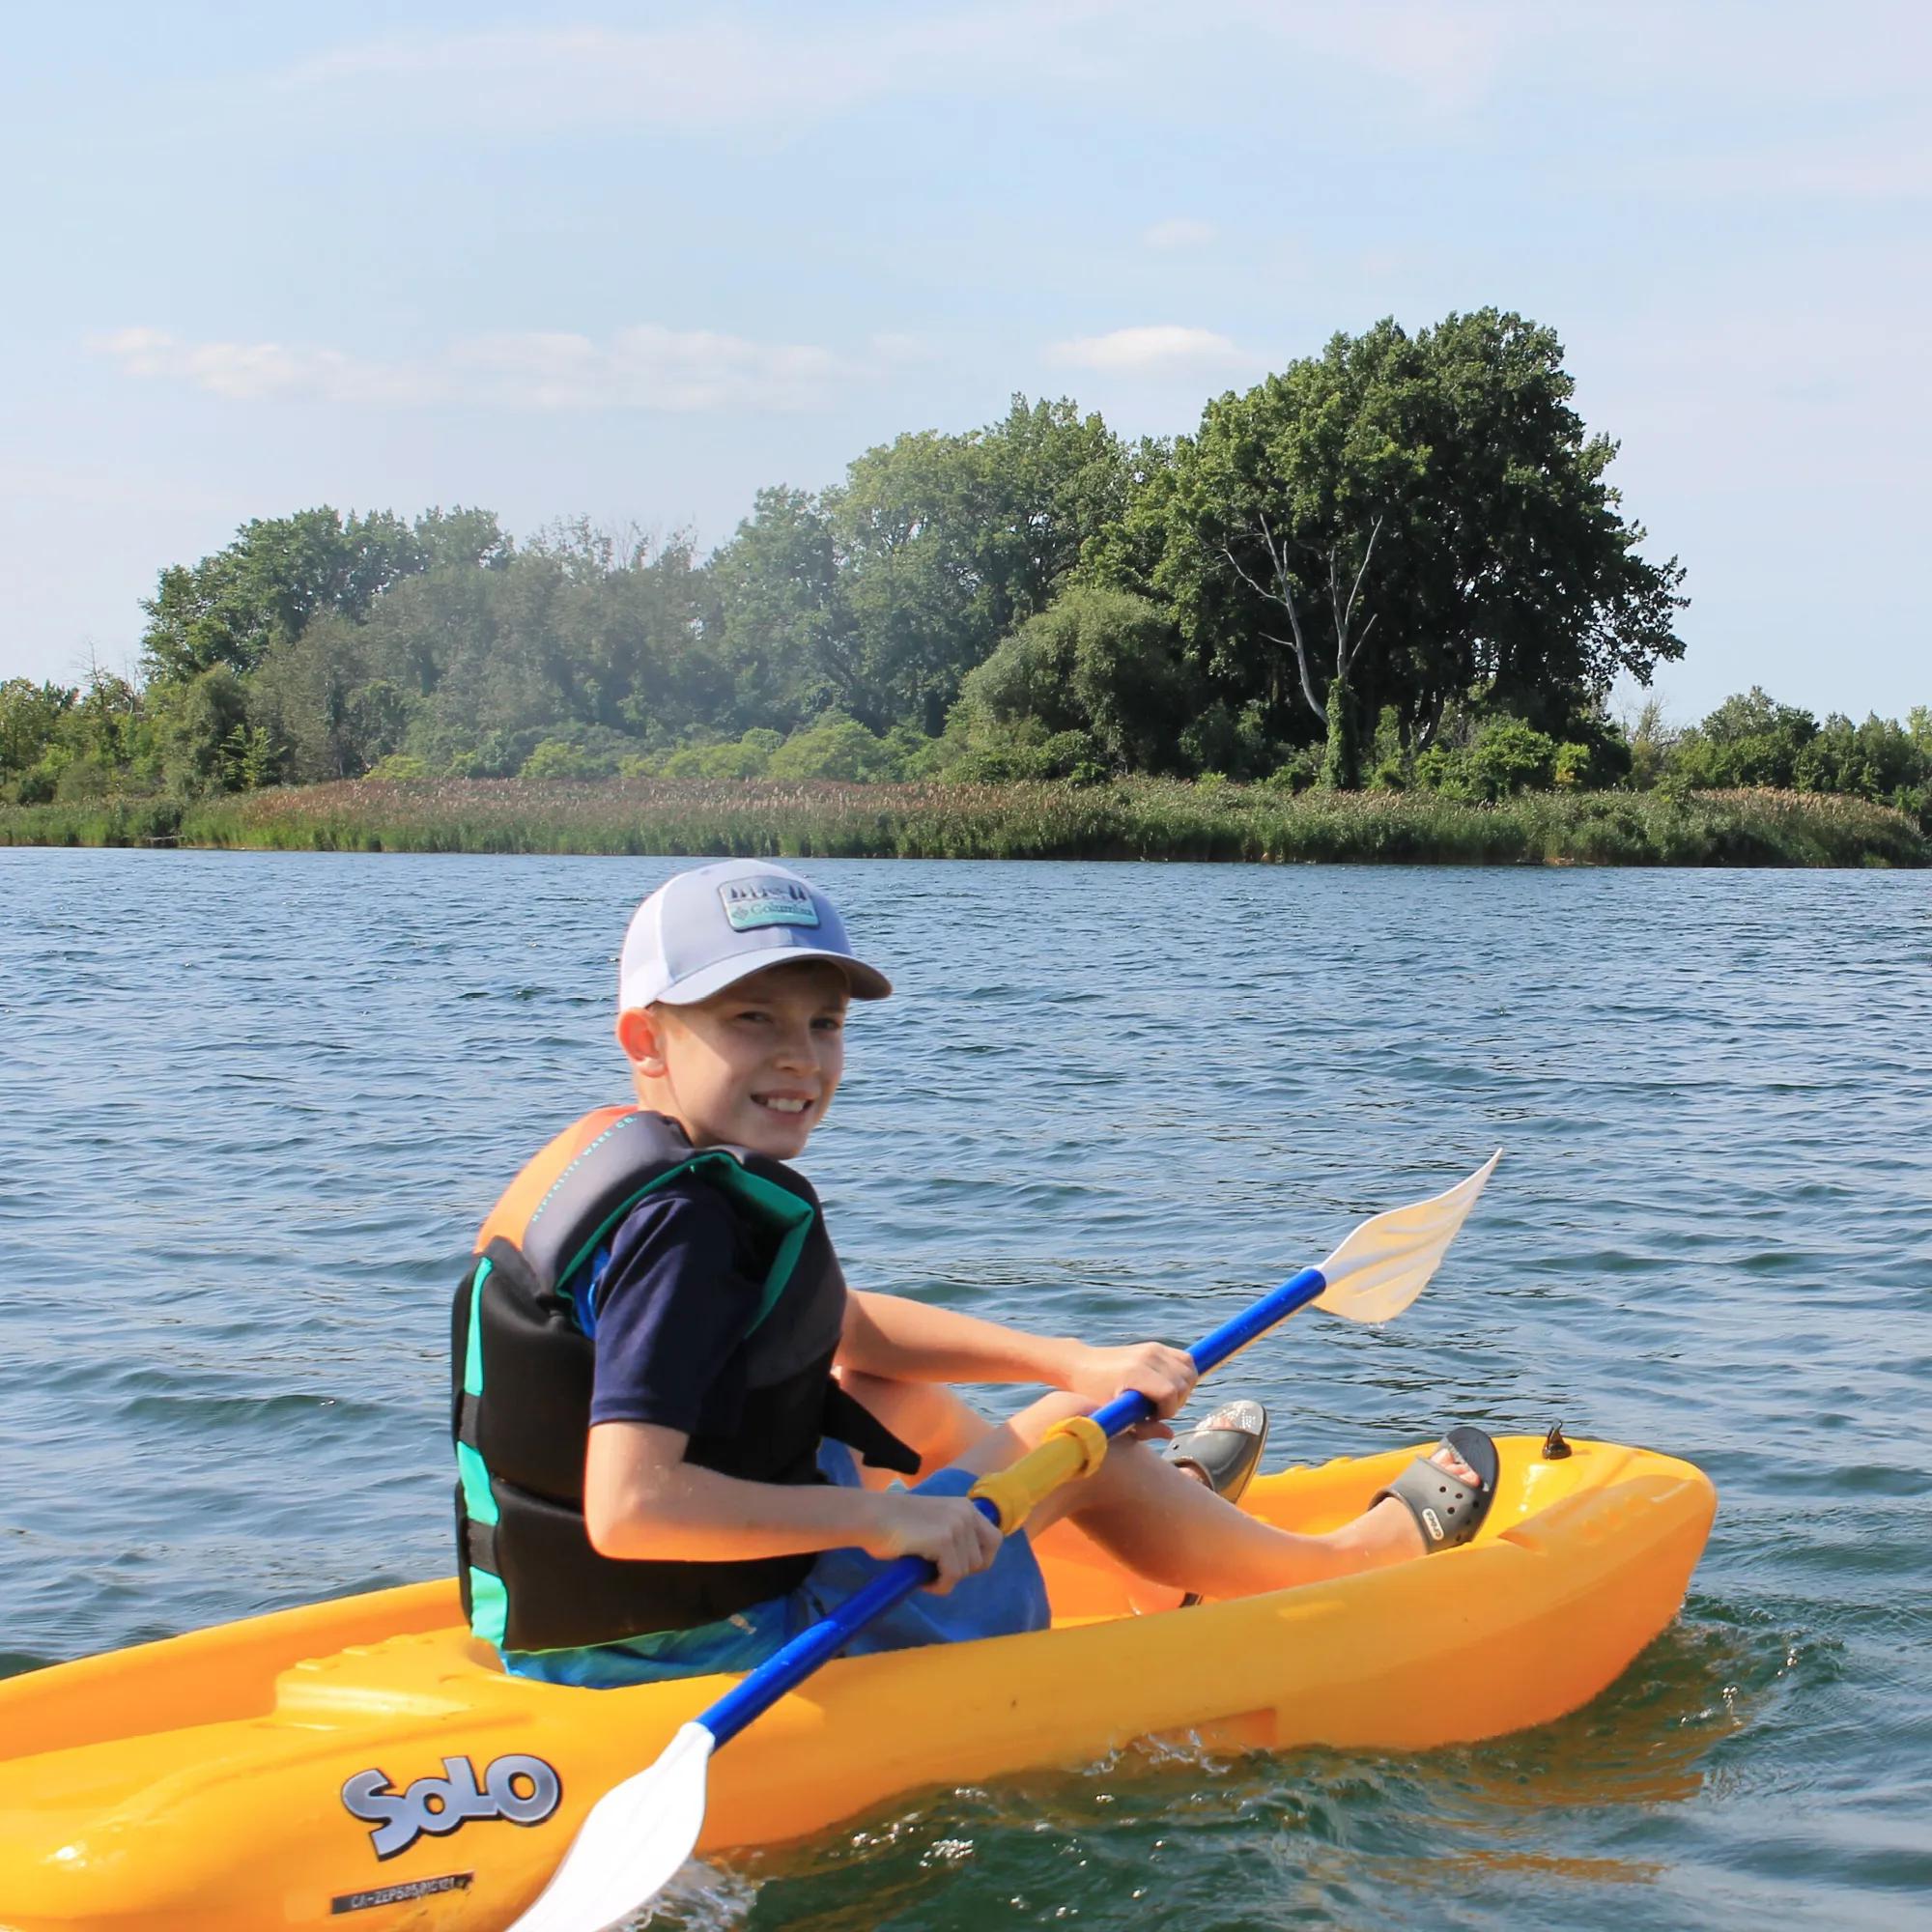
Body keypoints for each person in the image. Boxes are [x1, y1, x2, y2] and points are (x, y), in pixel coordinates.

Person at [451, 861, 1493, 1687]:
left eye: (824, 1021)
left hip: (575, 1628)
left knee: (886, 1394)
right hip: (712, 1646)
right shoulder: (680, 1225)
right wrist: (883, 1517)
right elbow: (630, 1508)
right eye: (749, 1019)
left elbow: (841, 1327)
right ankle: (1339, 1568)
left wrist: (1074, 1356)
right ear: (647, 1039)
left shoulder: (621, 1164)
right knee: (1080, 1448)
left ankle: (1162, 1527)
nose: (800, 1058)